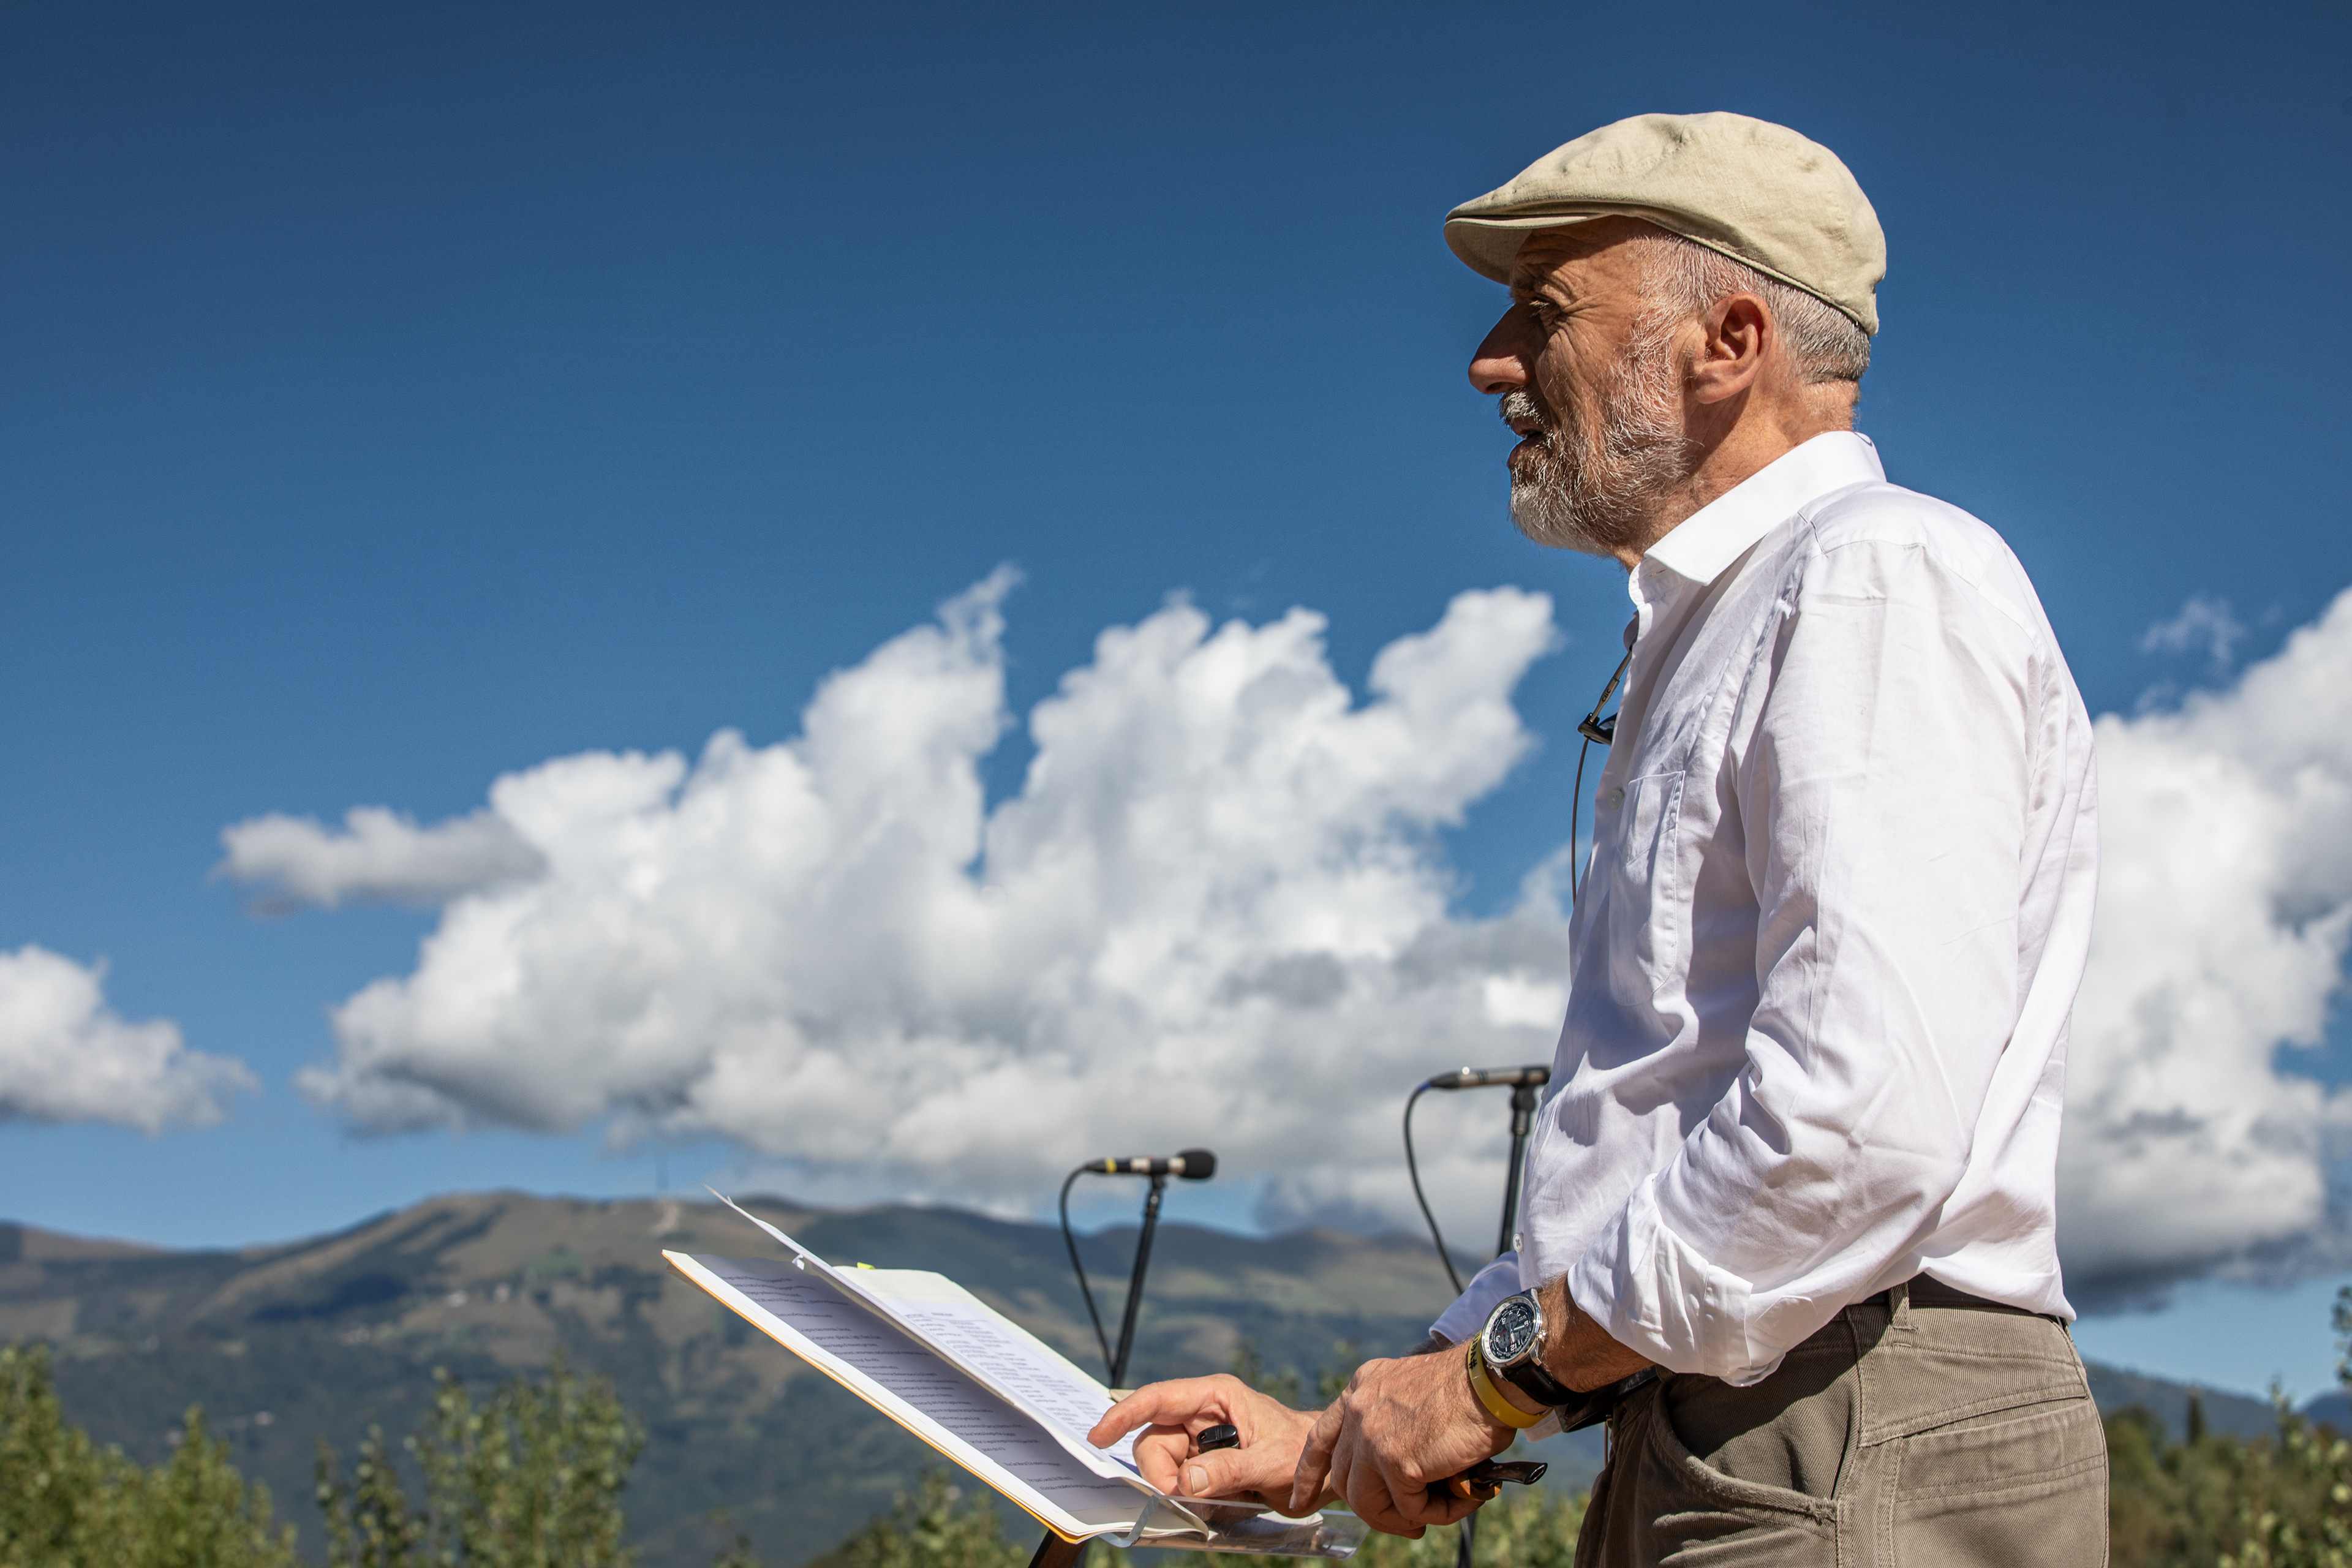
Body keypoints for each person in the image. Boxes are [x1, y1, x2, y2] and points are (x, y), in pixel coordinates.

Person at [1089, 111, 2106, 1566]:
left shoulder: (1875, 575)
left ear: (1729, 339)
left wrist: (1496, 1374)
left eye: (1544, 310)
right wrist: (1340, 1436)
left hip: (1846, 1416)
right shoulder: (1743, 619)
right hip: (1737, 1412)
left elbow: (1853, 1127)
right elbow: (1673, 1131)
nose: (1489, 360)